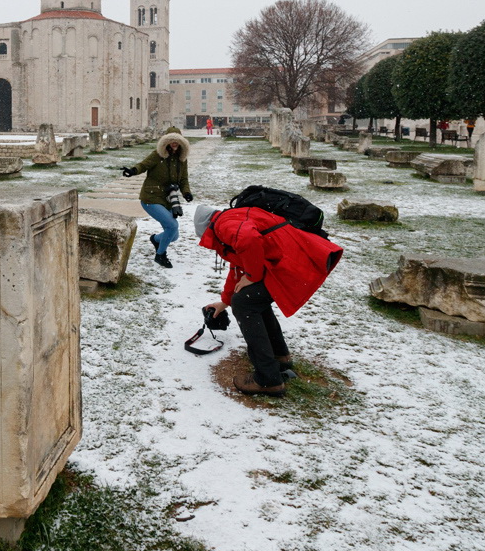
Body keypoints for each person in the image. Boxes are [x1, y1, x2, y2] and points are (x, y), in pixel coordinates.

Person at [194, 203, 343, 398]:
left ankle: (268, 379)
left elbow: (248, 240)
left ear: (206, 229)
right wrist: (224, 301)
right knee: (251, 299)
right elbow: (239, 265)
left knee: (245, 302)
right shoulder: (232, 218)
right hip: (296, 257)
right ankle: (279, 356)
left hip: (295, 261)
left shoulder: (224, 224)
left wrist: (252, 276)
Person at [121, 127, 192, 269]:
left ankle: (156, 239)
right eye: (171, 141)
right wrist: (132, 171)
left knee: (174, 235)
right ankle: (160, 255)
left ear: (181, 143)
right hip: (151, 198)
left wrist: (186, 193)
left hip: (168, 199)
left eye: (177, 141)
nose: (174, 144)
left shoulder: (181, 160)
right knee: (172, 226)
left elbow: (183, 179)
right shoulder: (157, 155)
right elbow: (143, 165)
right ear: (166, 142)